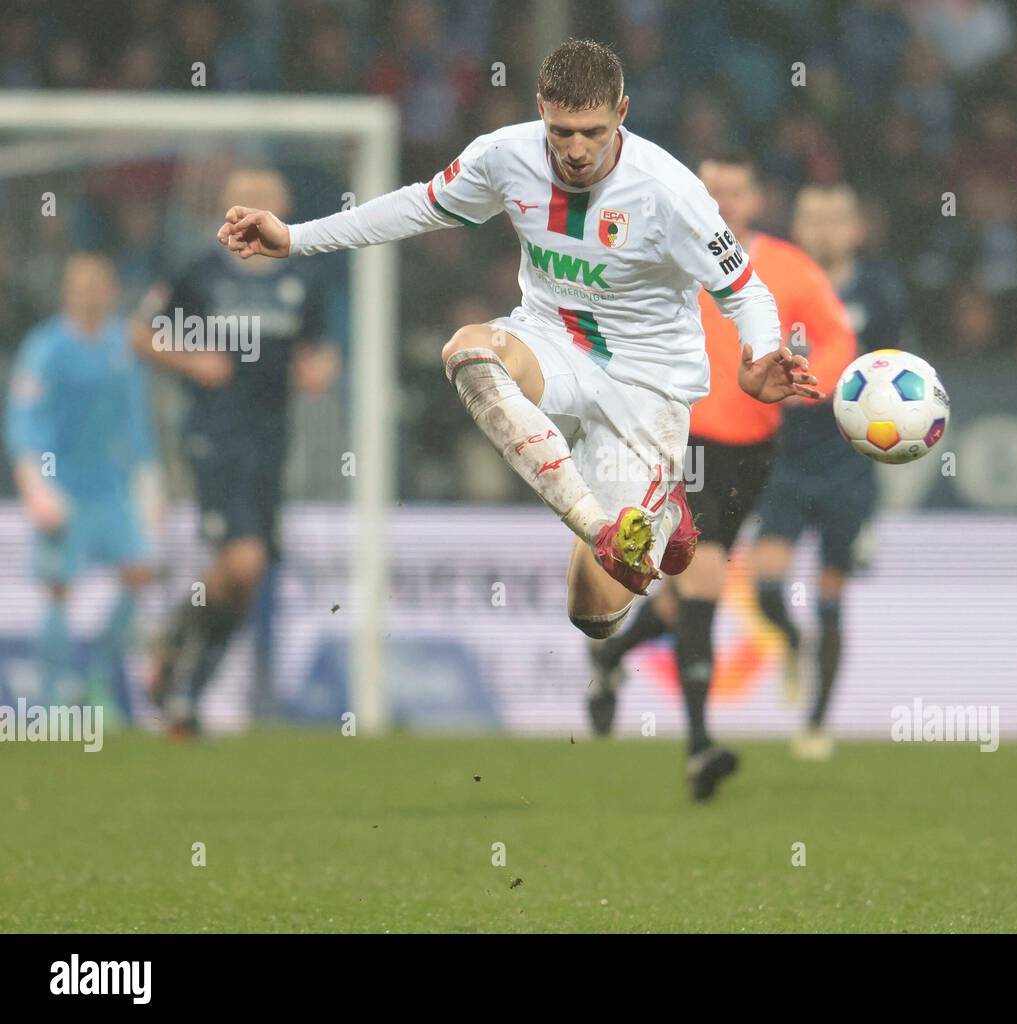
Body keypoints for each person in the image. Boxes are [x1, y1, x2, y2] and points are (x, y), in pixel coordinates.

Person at [213, 39, 818, 793]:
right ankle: (608, 526)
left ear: (621, 116)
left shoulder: (671, 190)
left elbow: (746, 291)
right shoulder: (506, 156)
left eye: (593, 132)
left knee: (593, 614)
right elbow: (418, 207)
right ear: (541, 113)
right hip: (551, 340)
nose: (574, 148)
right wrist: (296, 238)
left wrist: (760, 353)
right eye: (561, 130)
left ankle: (645, 517)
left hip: (648, 386)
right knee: (468, 352)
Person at [586, 154, 855, 797]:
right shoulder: (662, 257)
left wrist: (808, 385)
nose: (724, 201)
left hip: (753, 452)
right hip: (679, 443)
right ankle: (700, 748)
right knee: (703, 577)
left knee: (682, 597)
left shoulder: (789, 268)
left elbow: (838, 338)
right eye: (713, 190)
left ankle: (611, 656)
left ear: (755, 199)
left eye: (736, 190)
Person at [133, 166, 339, 736]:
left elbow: (320, 349)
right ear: (225, 210)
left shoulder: (302, 277)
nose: (251, 212)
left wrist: (317, 368)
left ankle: (183, 684)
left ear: (284, 208)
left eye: (264, 202)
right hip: (213, 433)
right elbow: (142, 334)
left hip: (270, 439)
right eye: (242, 202)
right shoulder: (196, 272)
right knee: (243, 560)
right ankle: (181, 667)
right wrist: (191, 358)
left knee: (246, 575)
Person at [752, 185, 910, 760]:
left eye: (835, 219)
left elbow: (900, 376)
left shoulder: (879, 292)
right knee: (766, 583)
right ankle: (792, 643)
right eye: (811, 218)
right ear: (795, 225)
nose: (822, 230)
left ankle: (817, 720)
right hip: (786, 461)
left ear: (856, 230)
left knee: (831, 596)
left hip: (849, 464)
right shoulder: (772, 287)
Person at [6, 254, 158, 717]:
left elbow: (135, 419)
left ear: (112, 291)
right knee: (58, 587)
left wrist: (150, 479)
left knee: (138, 573)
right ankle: (56, 696)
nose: (90, 294)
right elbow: (24, 420)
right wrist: (36, 485)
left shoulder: (120, 346)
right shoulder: (46, 347)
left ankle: (98, 677)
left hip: (109, 487)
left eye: (99, 285)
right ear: (67, 293)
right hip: (60, 485)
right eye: (81, 286)